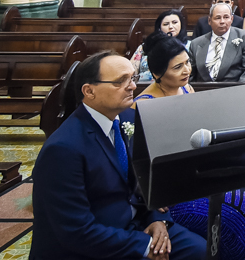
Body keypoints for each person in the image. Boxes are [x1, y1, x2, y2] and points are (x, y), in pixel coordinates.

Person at [30, 50, 207, 260]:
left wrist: (157, 220)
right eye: (120, 81)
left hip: (139, 222)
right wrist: (144, 245)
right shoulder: (63, 149)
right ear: (89, 91)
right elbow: (75, 230)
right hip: (95, 242)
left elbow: (141, 184)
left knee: (201, 252)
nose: (132, 86)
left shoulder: (128, 118)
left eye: (132, 78)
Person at [135, 38, 245, 260]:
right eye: (177, 67)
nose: (187, 70)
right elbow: (143, 163)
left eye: (187, 63)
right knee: (240, 213)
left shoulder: (186, 88)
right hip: (173, 192)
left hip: (200, 175)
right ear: (157, 72)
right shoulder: (144, 104)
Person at [187, 2, 245, 82]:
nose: (222, 21)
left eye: (226, 17)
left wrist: (239, 91)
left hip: (233, 89)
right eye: (217, 18)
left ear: (231, 19)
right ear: (209, 20)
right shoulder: (196, 43)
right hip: (203, 90)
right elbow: (190, 74)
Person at [130, 9, 187, 83]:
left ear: (181, 24)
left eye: (174, 22)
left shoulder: (189, 45)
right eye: (166, 24)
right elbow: (131, 71)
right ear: (159, 28)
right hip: (141, 85)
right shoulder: (145, 47)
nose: (171, 27)